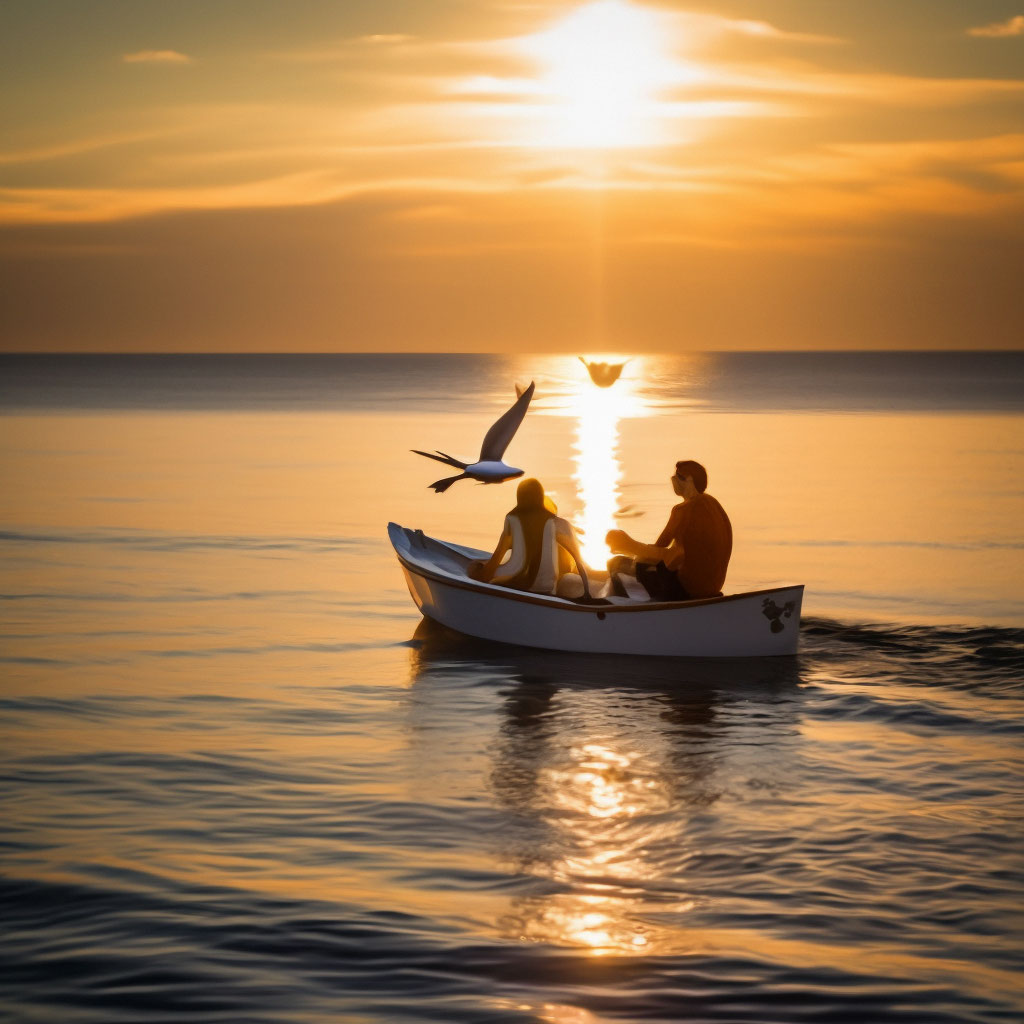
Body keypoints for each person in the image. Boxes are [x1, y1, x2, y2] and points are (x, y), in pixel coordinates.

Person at [606, 460, 731, 600]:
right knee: (642, 564)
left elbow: (659, 549)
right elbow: (682, 553)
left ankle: (647, 606)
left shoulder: (682, 510)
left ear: (689, 480)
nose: (672, 480)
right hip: (712, 587)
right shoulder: (714, 504)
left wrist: (627, 545)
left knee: (626, 564)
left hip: (689, 589)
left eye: (675, 477)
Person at [468, 478, 592, 598]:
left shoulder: (512, 518)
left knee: (474, 566)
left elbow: (496, 559)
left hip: (515, 582)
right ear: (540, 497)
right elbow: (579, 562)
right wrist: (587, 594)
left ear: (519, 497)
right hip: (547, 587)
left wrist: (479, 571)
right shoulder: (557, 523)